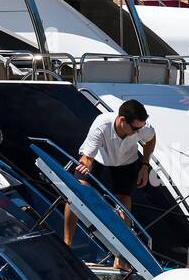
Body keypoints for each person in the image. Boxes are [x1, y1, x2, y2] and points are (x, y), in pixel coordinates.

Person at [64, 100, 156, 266]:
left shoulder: (143, 128)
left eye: (140, 128)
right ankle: (67, 243)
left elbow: (151, 140)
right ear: (122, 120)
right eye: (135, 129)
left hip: (127, 162)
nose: (138, 132)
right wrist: (85, 166)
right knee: (75, 192)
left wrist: (145, 165)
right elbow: (87, 157)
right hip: (99, 158)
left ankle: (120, 256)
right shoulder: (102, 124)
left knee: (124, 201)